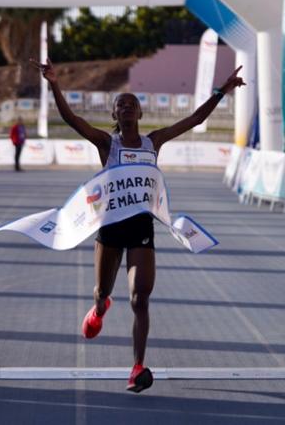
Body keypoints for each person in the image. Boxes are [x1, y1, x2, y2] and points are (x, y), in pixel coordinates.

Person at [34, 57, 244, 392]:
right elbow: (72, 119)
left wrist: (222, 91)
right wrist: (55, 84)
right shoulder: (107, 143)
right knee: (104, 291)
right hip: (110, 229)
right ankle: (100, 306)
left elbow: (194, 119)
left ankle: (137, 367)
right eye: (121, 105)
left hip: (141, 229)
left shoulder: (153, 142)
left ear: (140, 114)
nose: (128, 107)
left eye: (133, 104)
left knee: (140, 299)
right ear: (115, 115)